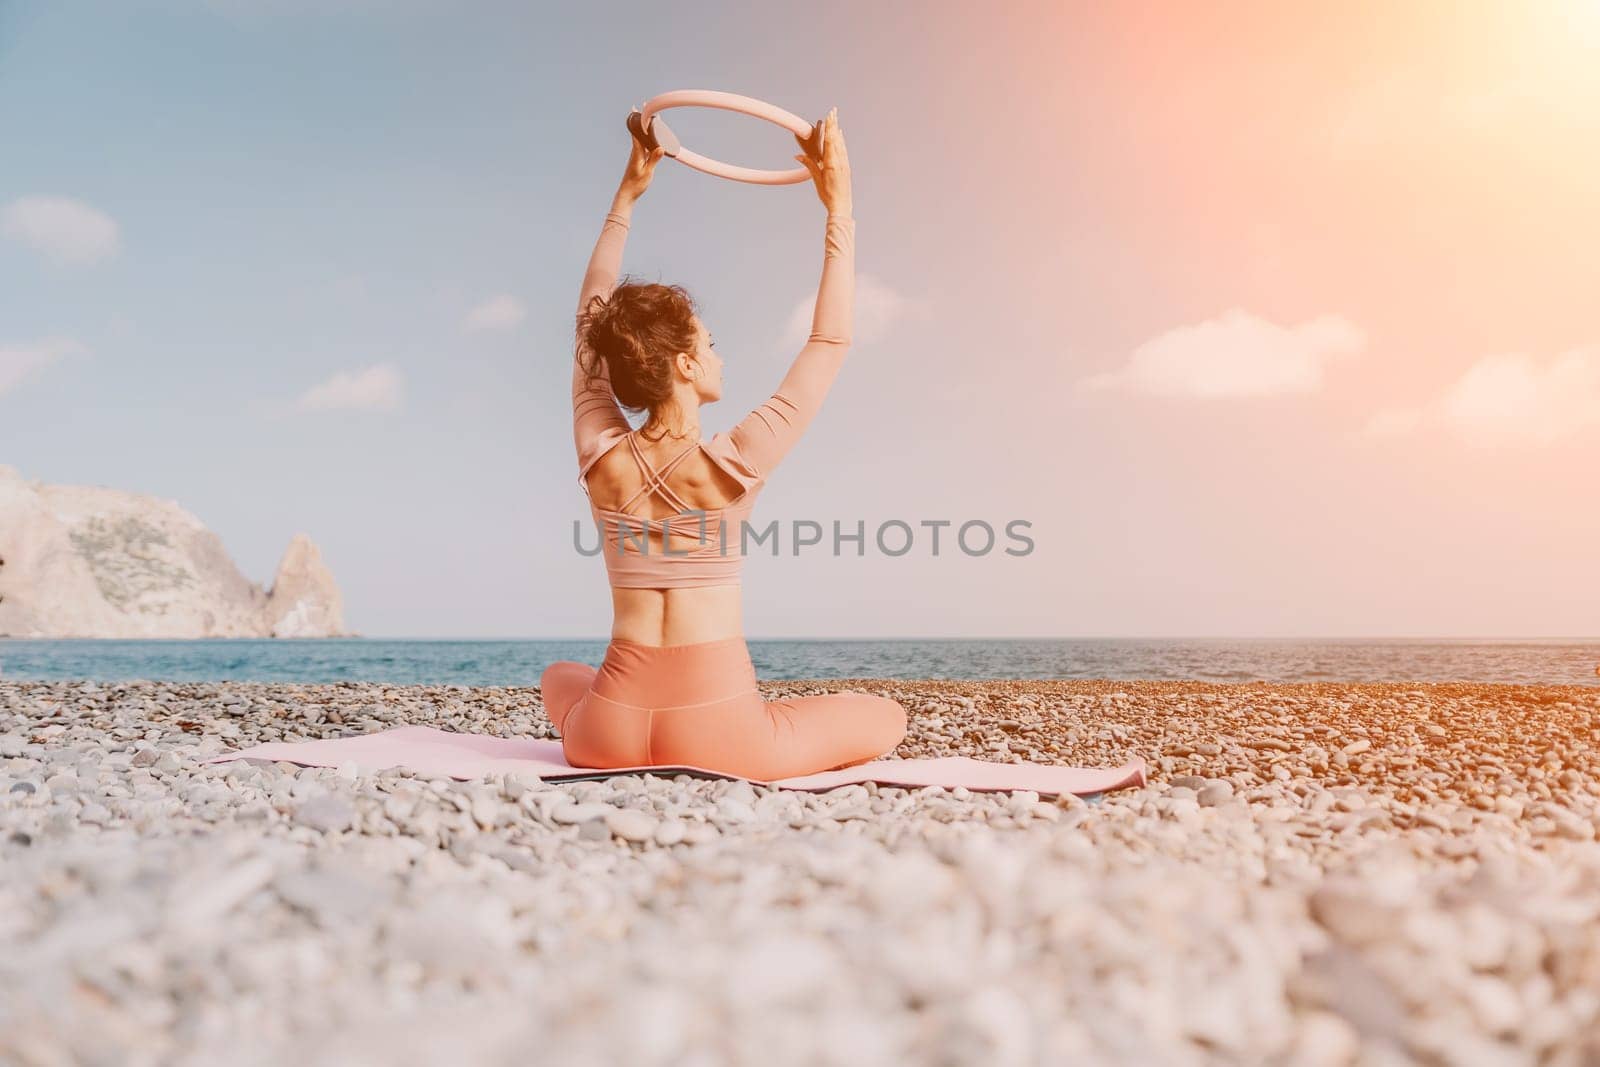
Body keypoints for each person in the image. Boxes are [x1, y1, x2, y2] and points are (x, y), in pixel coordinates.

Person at [540, 108, 908, 779]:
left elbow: (588, 321)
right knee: (888, 716)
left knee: (559, 677)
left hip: (606, 733)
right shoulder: (735, 462)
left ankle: (602, 719)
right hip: (721, 733)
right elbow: (829, 341)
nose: (717, 353)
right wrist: (839, 205)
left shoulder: (599, 451)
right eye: (707, 343)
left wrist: (627, 194)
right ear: (682, 363)